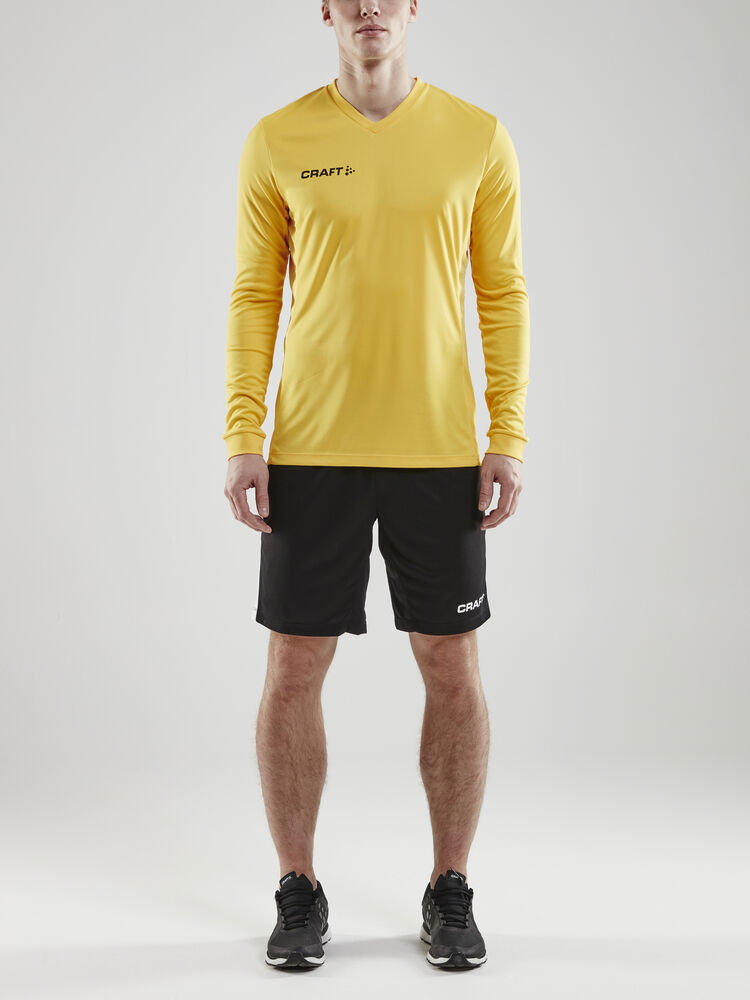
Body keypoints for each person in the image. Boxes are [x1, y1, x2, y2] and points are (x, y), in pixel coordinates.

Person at [223, 0, 529, 972]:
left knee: (452, 665)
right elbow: (256, 292)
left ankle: (450, 887)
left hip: (438, 452)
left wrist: (507, 434)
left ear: (413, 6)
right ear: (325, 7)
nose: (368, 6)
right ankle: (297, 888)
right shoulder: (278, 139)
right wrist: (243, 434)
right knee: (293, 668)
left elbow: (502, 291)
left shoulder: (477, 137)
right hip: (311, 449)